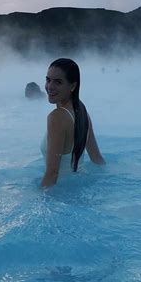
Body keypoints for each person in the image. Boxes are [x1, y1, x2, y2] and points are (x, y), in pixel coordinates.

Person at [41, 58, 105, 188]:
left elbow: (52, 173)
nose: (50, 87)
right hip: (79, 185)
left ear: (73, 86)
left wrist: (38, 199)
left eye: (58, 82)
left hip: (60, 193)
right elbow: (97, 158)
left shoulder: (57, 118)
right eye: (48, 80)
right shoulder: (81, 110)